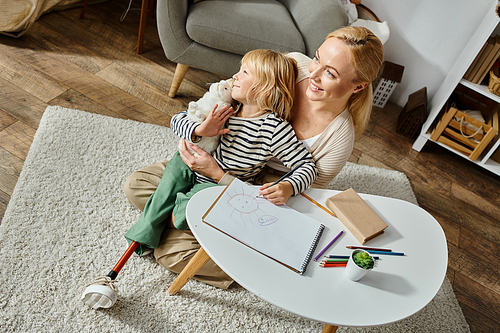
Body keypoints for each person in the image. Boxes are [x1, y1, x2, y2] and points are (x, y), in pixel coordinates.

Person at [123, 26, 384, 289]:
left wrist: (282, 185)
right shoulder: (289, 66)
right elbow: (229, 91)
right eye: (317, 58)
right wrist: (200, 131)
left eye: (330, 73)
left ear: (358, 86)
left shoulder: (338, 138)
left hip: (263, 187)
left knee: (170, 253)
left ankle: (245, 260)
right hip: (224, 157)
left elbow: (302, 194)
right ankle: (181, 219)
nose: (313, 74)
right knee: (135, 186)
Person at [124, 49, 318, 263]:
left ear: (265, 88)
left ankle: (159, 219)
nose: (235, 76)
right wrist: (199, 130)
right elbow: (177, 119)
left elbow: (307, 166)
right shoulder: (226, 104)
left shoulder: (272, 128)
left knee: (187, 210)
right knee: (135, 186)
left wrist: (289, 186)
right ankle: (162, 218)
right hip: (186, 167)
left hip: (217, 186)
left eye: (244, 72)